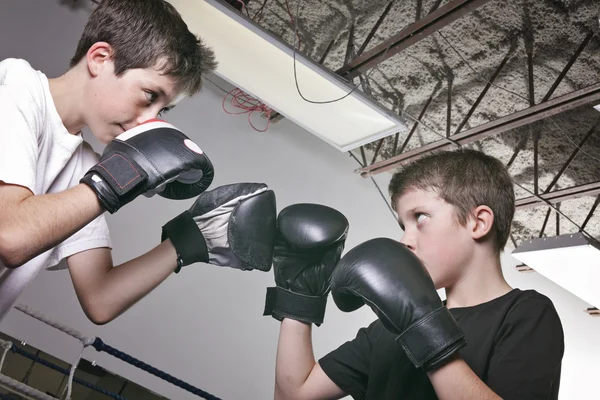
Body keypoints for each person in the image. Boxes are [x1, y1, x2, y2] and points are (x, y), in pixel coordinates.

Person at [0, 0, 277, 326]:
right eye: (149, 96)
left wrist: (188, 241)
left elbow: (100, 298)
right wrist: (112, 181)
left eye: (162, 111)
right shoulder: (15, 87)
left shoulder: (85, 167)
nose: (148, 121)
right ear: (100, 58)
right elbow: (11, 236)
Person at [264, 148, 565, 399]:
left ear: (478, 222)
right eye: (402, 226)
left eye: (420, 217)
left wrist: (425, 331)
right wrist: (299, 298)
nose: (405, 240)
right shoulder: (389, 328)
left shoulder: (526, 314)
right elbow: (293, 395)